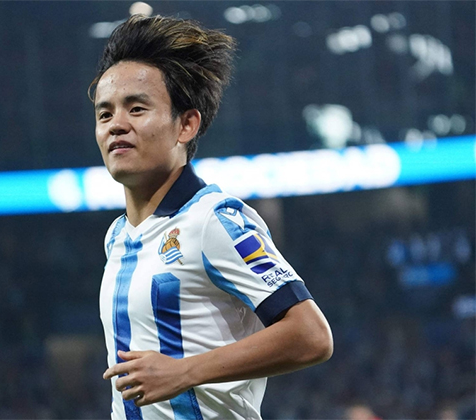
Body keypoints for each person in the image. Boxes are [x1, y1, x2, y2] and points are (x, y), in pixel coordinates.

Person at [90, 14, 333, 420]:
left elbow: (311, 335)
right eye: (104, 114)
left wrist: (184, 372)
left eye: (137, 109)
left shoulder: (214, 221)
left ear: (186, 125)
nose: (117, 125)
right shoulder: (117, 236)